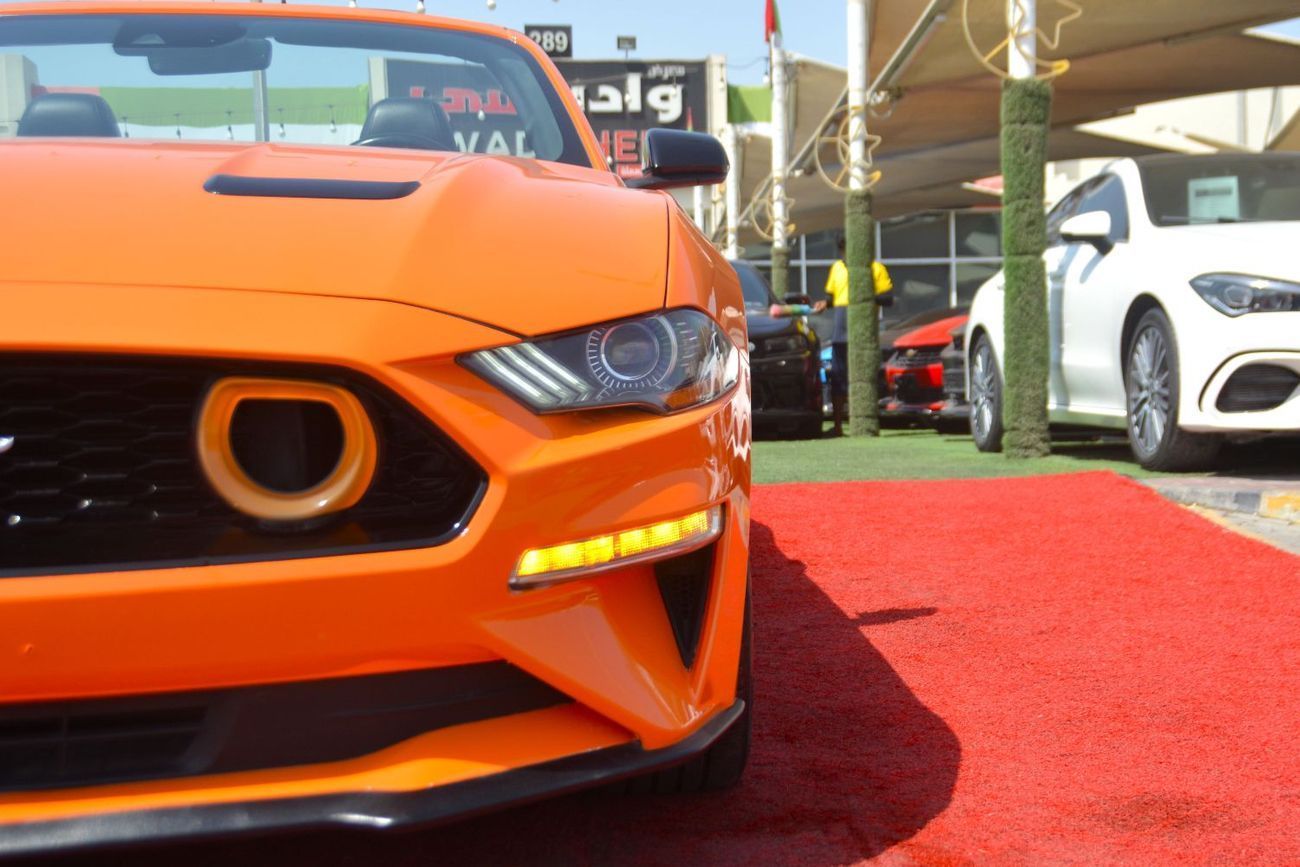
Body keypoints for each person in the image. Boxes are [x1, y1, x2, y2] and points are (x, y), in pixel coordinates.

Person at [813, 236, 894, 436]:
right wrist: (824, 304)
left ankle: (866, 425)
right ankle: (839, 426)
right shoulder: (837, 268)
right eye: (842, 250)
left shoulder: (876, 268)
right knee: (838, 377)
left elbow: (888, 298)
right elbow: (831, 298)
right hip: (840, 332)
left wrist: (864, 297)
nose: (845, 254)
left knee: (866, 377)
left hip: (864, 335)